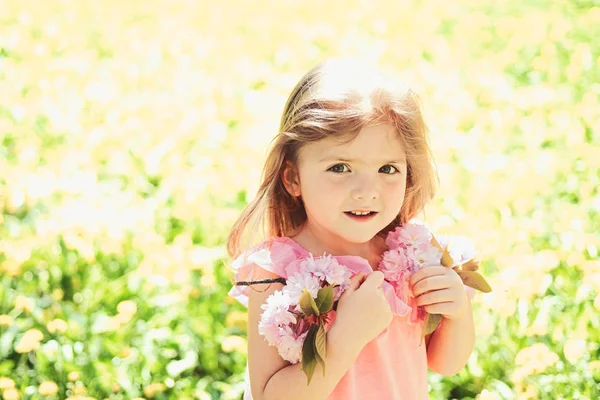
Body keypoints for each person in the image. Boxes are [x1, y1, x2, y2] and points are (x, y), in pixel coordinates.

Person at [226, 57, 476, 400]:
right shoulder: (276, 273)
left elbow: (445, 362)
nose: (366, 190)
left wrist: (458, 312)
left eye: (387, 169)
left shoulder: (409, 254)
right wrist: (344, 339)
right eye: (341, 167)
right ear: (293, 177)